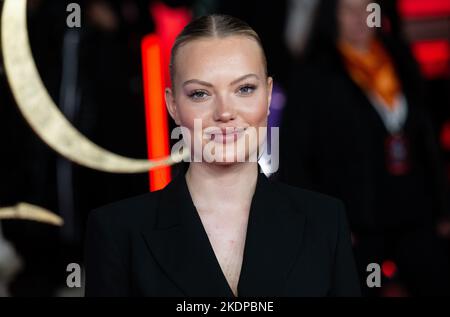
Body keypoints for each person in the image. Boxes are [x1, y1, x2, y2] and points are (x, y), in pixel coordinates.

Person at [84, 14, 360, 297]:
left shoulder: (325, 221)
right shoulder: (117, 232)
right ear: (173, 105)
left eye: (244, 89)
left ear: (267, 96)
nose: (225, 112)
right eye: (201, 94)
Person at [280, 0, 450, 296]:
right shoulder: (314, 75)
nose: (360, 18)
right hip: (357, 222)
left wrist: (443, 206)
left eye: (368, 8)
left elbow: (428, 141)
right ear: (332, 15)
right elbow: (297, 157)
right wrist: (324, 223)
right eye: (349, 9)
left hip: (415, 210)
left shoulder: (398, 58)